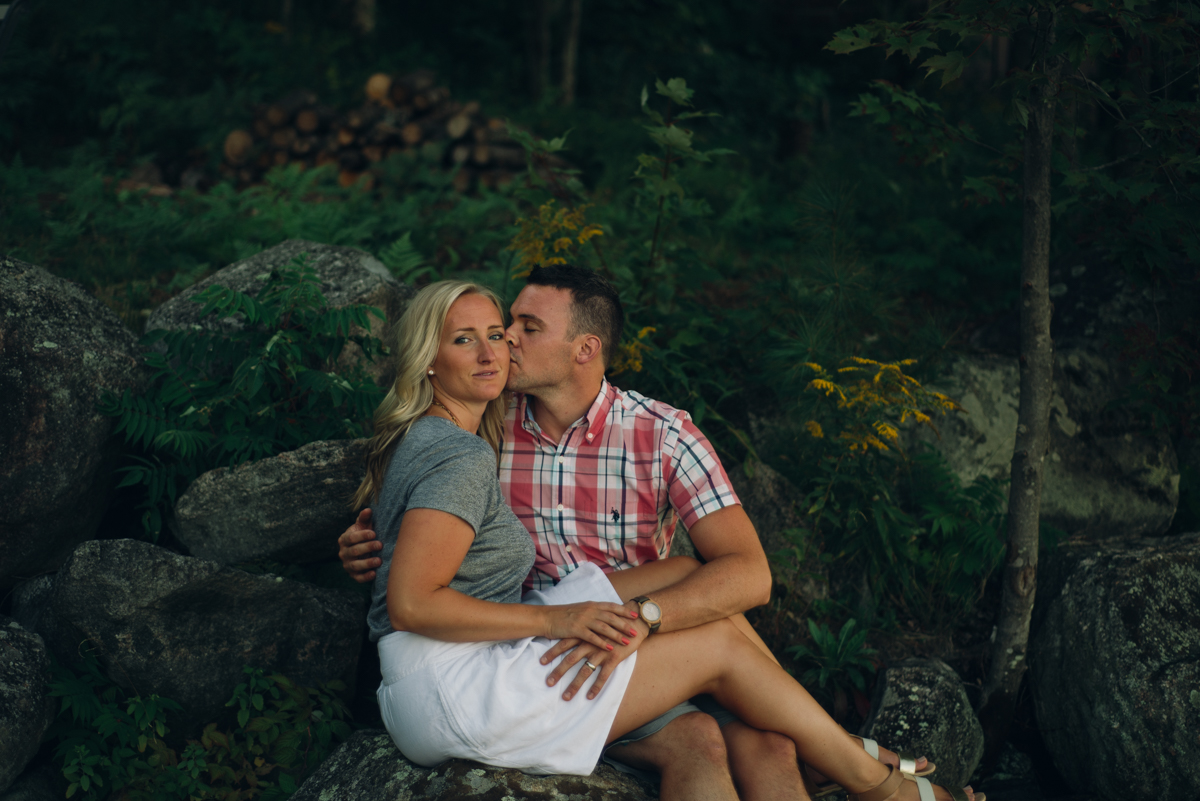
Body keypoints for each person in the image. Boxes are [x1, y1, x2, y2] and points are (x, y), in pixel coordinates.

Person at [344, 269, 972, 801]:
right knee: (719, 715)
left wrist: (646, 619)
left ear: (584, 349)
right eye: (485, 333)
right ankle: (873, 780)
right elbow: (416, 556)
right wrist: (369, 544)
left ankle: (824, 742)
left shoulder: (660, 432)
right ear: (433, 357)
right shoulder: (485, 422)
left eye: (520, 330)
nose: (502, 344)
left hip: (593, 627)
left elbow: (750, 575)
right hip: (514, 645)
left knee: (761, 727)